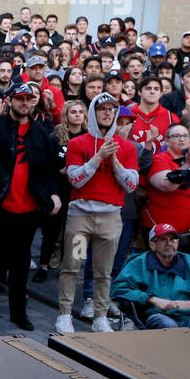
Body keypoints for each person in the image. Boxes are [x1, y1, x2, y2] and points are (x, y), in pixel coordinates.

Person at [0, 82, 62, 330]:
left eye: (29, 98)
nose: (25, 103)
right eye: (19, 98)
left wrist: (55, 194)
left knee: (20, 266)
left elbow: (51, 171)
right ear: (9, 101)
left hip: (27, 211)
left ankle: (18, 314)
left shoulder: (41, 133)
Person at [56, 93, 139, 334]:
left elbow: (131, 185)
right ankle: (64, 314)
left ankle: (100, 316)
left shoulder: (126, 147)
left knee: (104, 271)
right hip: (80, 216)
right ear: (94, 112)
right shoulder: (77, 143)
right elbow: (75, 179)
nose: (106, 113)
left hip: (110, 217)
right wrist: (98, 157)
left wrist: (115, 162)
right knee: (72, 265)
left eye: (111, 109)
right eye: (101, 108)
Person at [111, 224, 190, 336]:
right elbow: (118, 289)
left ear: (178, 243)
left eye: (173, 239)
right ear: (153, 245)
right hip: (155, 314)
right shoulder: (139, 263)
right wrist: (152, 299)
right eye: (163, 239)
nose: (169, 243)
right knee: (170, 328)